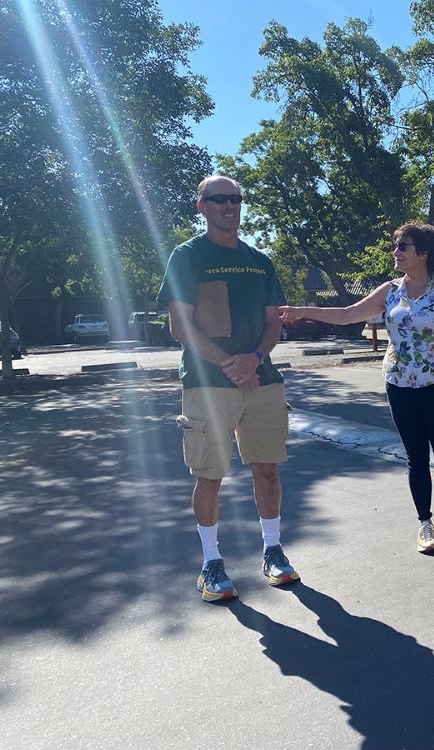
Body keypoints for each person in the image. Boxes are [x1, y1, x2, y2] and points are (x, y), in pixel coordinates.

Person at [279, 223, 434, 554]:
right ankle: (425, 524)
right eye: (396, 245)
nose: (396, 251)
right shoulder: (389, 291)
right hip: (400, 385)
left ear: (424, 253)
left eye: (403, 246)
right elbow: (348, 314)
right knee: (416, 458)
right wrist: (301, 311)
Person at [157, 175, 298, 602]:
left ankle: (273, 550)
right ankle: (210, 562)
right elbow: (180, 325)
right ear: (201, 205)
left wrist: (253, 360)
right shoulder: (187, 256)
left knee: (267, 468)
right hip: (207, 383)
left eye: (235, 199)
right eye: (219, 199)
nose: (229, 205)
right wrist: (229, 364)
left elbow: (274, 322)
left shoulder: (260, 261)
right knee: (210, 475)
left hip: (262, 380)